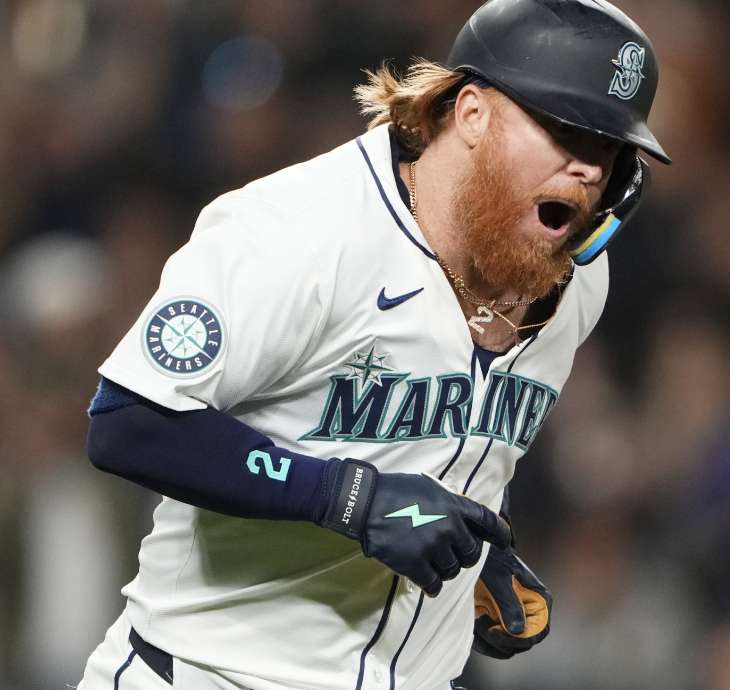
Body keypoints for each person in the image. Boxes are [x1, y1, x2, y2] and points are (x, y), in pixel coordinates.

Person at [75, 1, 669, 688]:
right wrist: (346, 498)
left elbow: (455, 441)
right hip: (210, 673)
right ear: (472, 113)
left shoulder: (575, 281)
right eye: (566, 130)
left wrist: (475, 551)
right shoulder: (303, 232)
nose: (590, 169)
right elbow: (126, 423)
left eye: (608, 147)